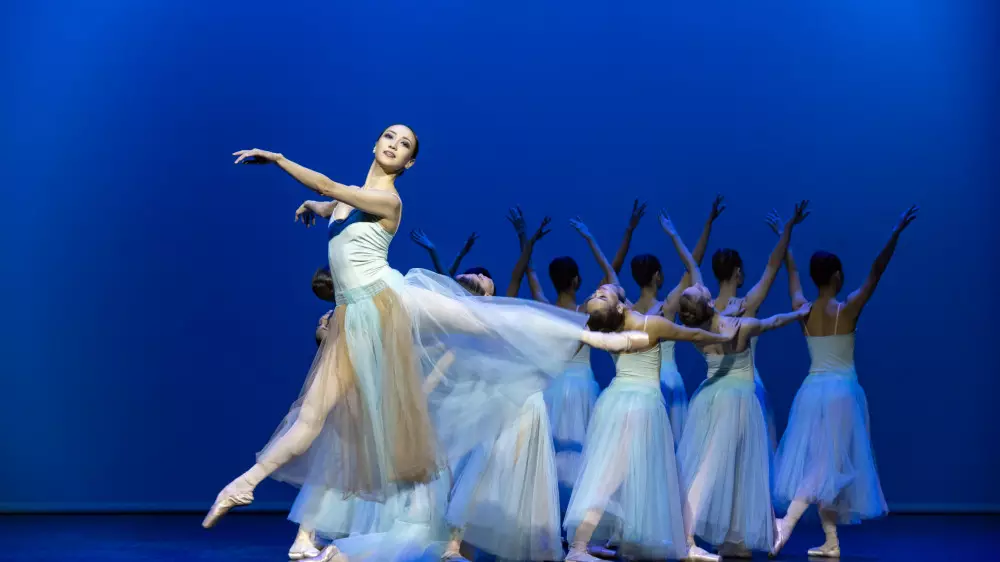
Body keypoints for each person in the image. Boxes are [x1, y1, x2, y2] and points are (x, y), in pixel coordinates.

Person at [202, 126, 649, 546]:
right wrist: (312, 208)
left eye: (404, 144)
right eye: (389, 136)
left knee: (480, 319)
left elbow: (327, 188)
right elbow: (331, 205)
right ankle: (244, 485)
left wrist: (279, 159)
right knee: (310, 417)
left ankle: (595, 338)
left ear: (409, 163)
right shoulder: (351, 199)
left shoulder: (388, 201)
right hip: (352, 316)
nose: (394, 144)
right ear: (375, 144)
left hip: (388, 297)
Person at [560, 210, 741, 562]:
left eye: (601, 290)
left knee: (638, 472)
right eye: (601, 293)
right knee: (612, 473)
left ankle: (652, 541)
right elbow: (690, 334)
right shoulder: (647, 324)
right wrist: (724, 336)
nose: (602, 288)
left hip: (620, 400)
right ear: (617, 305)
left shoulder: (616, 322)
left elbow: (611, 274)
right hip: (638, 405)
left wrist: (595, 239)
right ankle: (579, 547)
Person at [769, 206, 915, 558]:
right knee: (825, 467)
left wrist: (785, 235)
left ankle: (831, 540)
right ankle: (786, 525)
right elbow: (876, 272)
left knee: (825, 465)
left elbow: (791, 271)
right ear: (836, 276)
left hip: (812, 392)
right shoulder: (847, 309)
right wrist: (894, 234)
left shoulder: (802, 308)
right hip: (842, 394)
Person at [674, 201, 810, 559]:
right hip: (740, 393)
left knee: (728, 464)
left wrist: (689, 229)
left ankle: (733, 536)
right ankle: (689, 538)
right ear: (737, 272)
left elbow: (691, 264)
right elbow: (772, 267)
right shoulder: (744, 307)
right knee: (731, 466)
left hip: (711, 393)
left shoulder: (701, 309)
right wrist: (787, 230)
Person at [508, 208, 618, 509]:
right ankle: (577, 513)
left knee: (553, 451)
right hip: (581, 387)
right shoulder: (586, 311)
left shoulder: (548, 307)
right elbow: (612, 278)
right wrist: (590, 238)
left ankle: (552, 510)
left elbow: (529, 273)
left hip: (554, 387)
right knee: (581, 451)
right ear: (577, 280)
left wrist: (524, 236)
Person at [609, 195, 726, 444]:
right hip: (669, 379)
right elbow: (693, 266)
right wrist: (702, 226)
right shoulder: (668, 306)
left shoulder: (627, 311)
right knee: (670, 446)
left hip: (643, 383)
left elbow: (611, 272)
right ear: (658, 276)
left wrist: (628, 231)